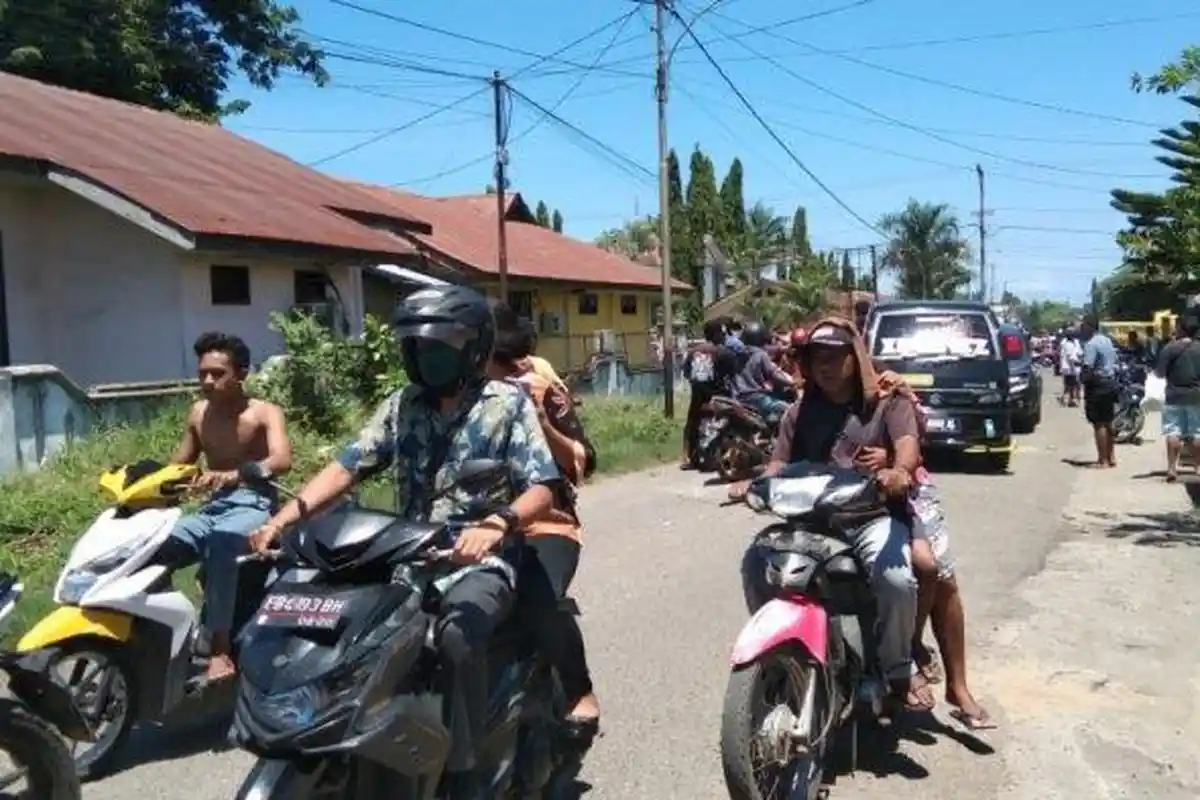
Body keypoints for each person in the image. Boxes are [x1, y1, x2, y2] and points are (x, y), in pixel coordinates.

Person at [248, 286, 560, 799]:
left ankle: (464, 771)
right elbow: (348, 465)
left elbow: (544, 487)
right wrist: (283, 520)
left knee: (459, 635)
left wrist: (497, 524)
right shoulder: (403, 405)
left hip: (477, 560)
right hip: (405, 556)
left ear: (471, 348)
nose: (422, 357)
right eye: (415, 348)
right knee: (342, 630)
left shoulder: (506, 404)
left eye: (435, 347)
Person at [730, 317, 931, 713]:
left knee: (896, 579)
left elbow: (907, 448)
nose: (824, 364)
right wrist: (751, 484)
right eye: (816, 356)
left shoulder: (887, 403)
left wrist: (897, 472)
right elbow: (777, 464)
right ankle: (780, 650)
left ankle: (897, 669)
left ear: (855, 359)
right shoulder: (798, 412)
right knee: (757, 561)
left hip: (869, 517)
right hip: (810, 521)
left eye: (834, 356)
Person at [490, 304, 602, 745]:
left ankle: (579, 690)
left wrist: (540, 423)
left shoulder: (537, 389)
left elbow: (584, 460)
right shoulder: (438, 394)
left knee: (540, 597)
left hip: (544, 524)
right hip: (463, 526)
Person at [869, 372, 995, 730]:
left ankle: (955, 683)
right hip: (848, 499)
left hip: (908, 493)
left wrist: (892, 457)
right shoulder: (813, 392)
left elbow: (915, 436)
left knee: (940, 577)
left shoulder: (888, 388)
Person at [169, 332, 293, 685]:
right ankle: (155, 634)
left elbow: (282, 460)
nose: (207, 381)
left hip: (254, 504)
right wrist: (146, 479)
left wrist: (235, 475)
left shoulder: (265, 412)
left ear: (241, 374)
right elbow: (181, 464)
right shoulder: (198, 413)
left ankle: (219, 648)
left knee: (223, 543)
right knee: (157, 542)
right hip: (211, 509)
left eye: (217, 373)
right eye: (203, 373)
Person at [682, 319, 736, 468]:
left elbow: (686, 373)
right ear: (717, 334)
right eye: (722, 334)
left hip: (698, 395)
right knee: (730, 420)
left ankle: (688, 458)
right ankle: (725, 452)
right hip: (718, 395)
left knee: (692, 423)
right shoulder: (724, 353)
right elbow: (732, 374)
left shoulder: (693, 352)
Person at [1156, 313, 1200, 482]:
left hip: (1173, 395)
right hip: (1197, 396)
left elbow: (1159, 373)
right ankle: (1198, 467)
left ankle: (1172, 468)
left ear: (1180, 328)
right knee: (1198, 432)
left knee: (1173, 432)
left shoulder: (1170, 348)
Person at [731, 321, 796, 421]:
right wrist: (793, 383)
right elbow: (774, 374)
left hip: (737, 399)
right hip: (755, 398)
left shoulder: (737, 354)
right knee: (791, 410)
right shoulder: (761, 354)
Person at [1079, 317, 1120, 468]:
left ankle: (1102, 460)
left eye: (1083, 326)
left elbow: (1088, 367)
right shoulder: (1107, 341)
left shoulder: (1091, 344)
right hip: (1110, 383)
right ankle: (1111, 457)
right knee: (1108, 422)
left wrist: (1083, 379)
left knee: (1099, 424)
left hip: (1097, 386)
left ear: (1090, 327)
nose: (1081, 329)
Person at [1058, 332, 1082, 407]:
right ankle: (1069, 400)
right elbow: (1070, 357)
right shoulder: (1069, 345)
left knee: (1069, 384)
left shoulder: (1066, 344)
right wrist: (1078, 362)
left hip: (1068, 368)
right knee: (1072, 385)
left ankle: (1068, 400)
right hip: (1070, 368)